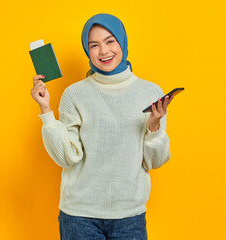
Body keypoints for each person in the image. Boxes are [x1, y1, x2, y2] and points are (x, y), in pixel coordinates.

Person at [31, 13, 174, 240]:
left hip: (130, 216)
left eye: (110, 41)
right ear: (88, 51)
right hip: (79, 216)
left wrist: (154, 127)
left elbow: (153, 161)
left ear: (122, 42)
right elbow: (67, 157)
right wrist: (46, 110)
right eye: (94, 45)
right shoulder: (74, 94)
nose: (104, 51)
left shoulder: (150, 93)